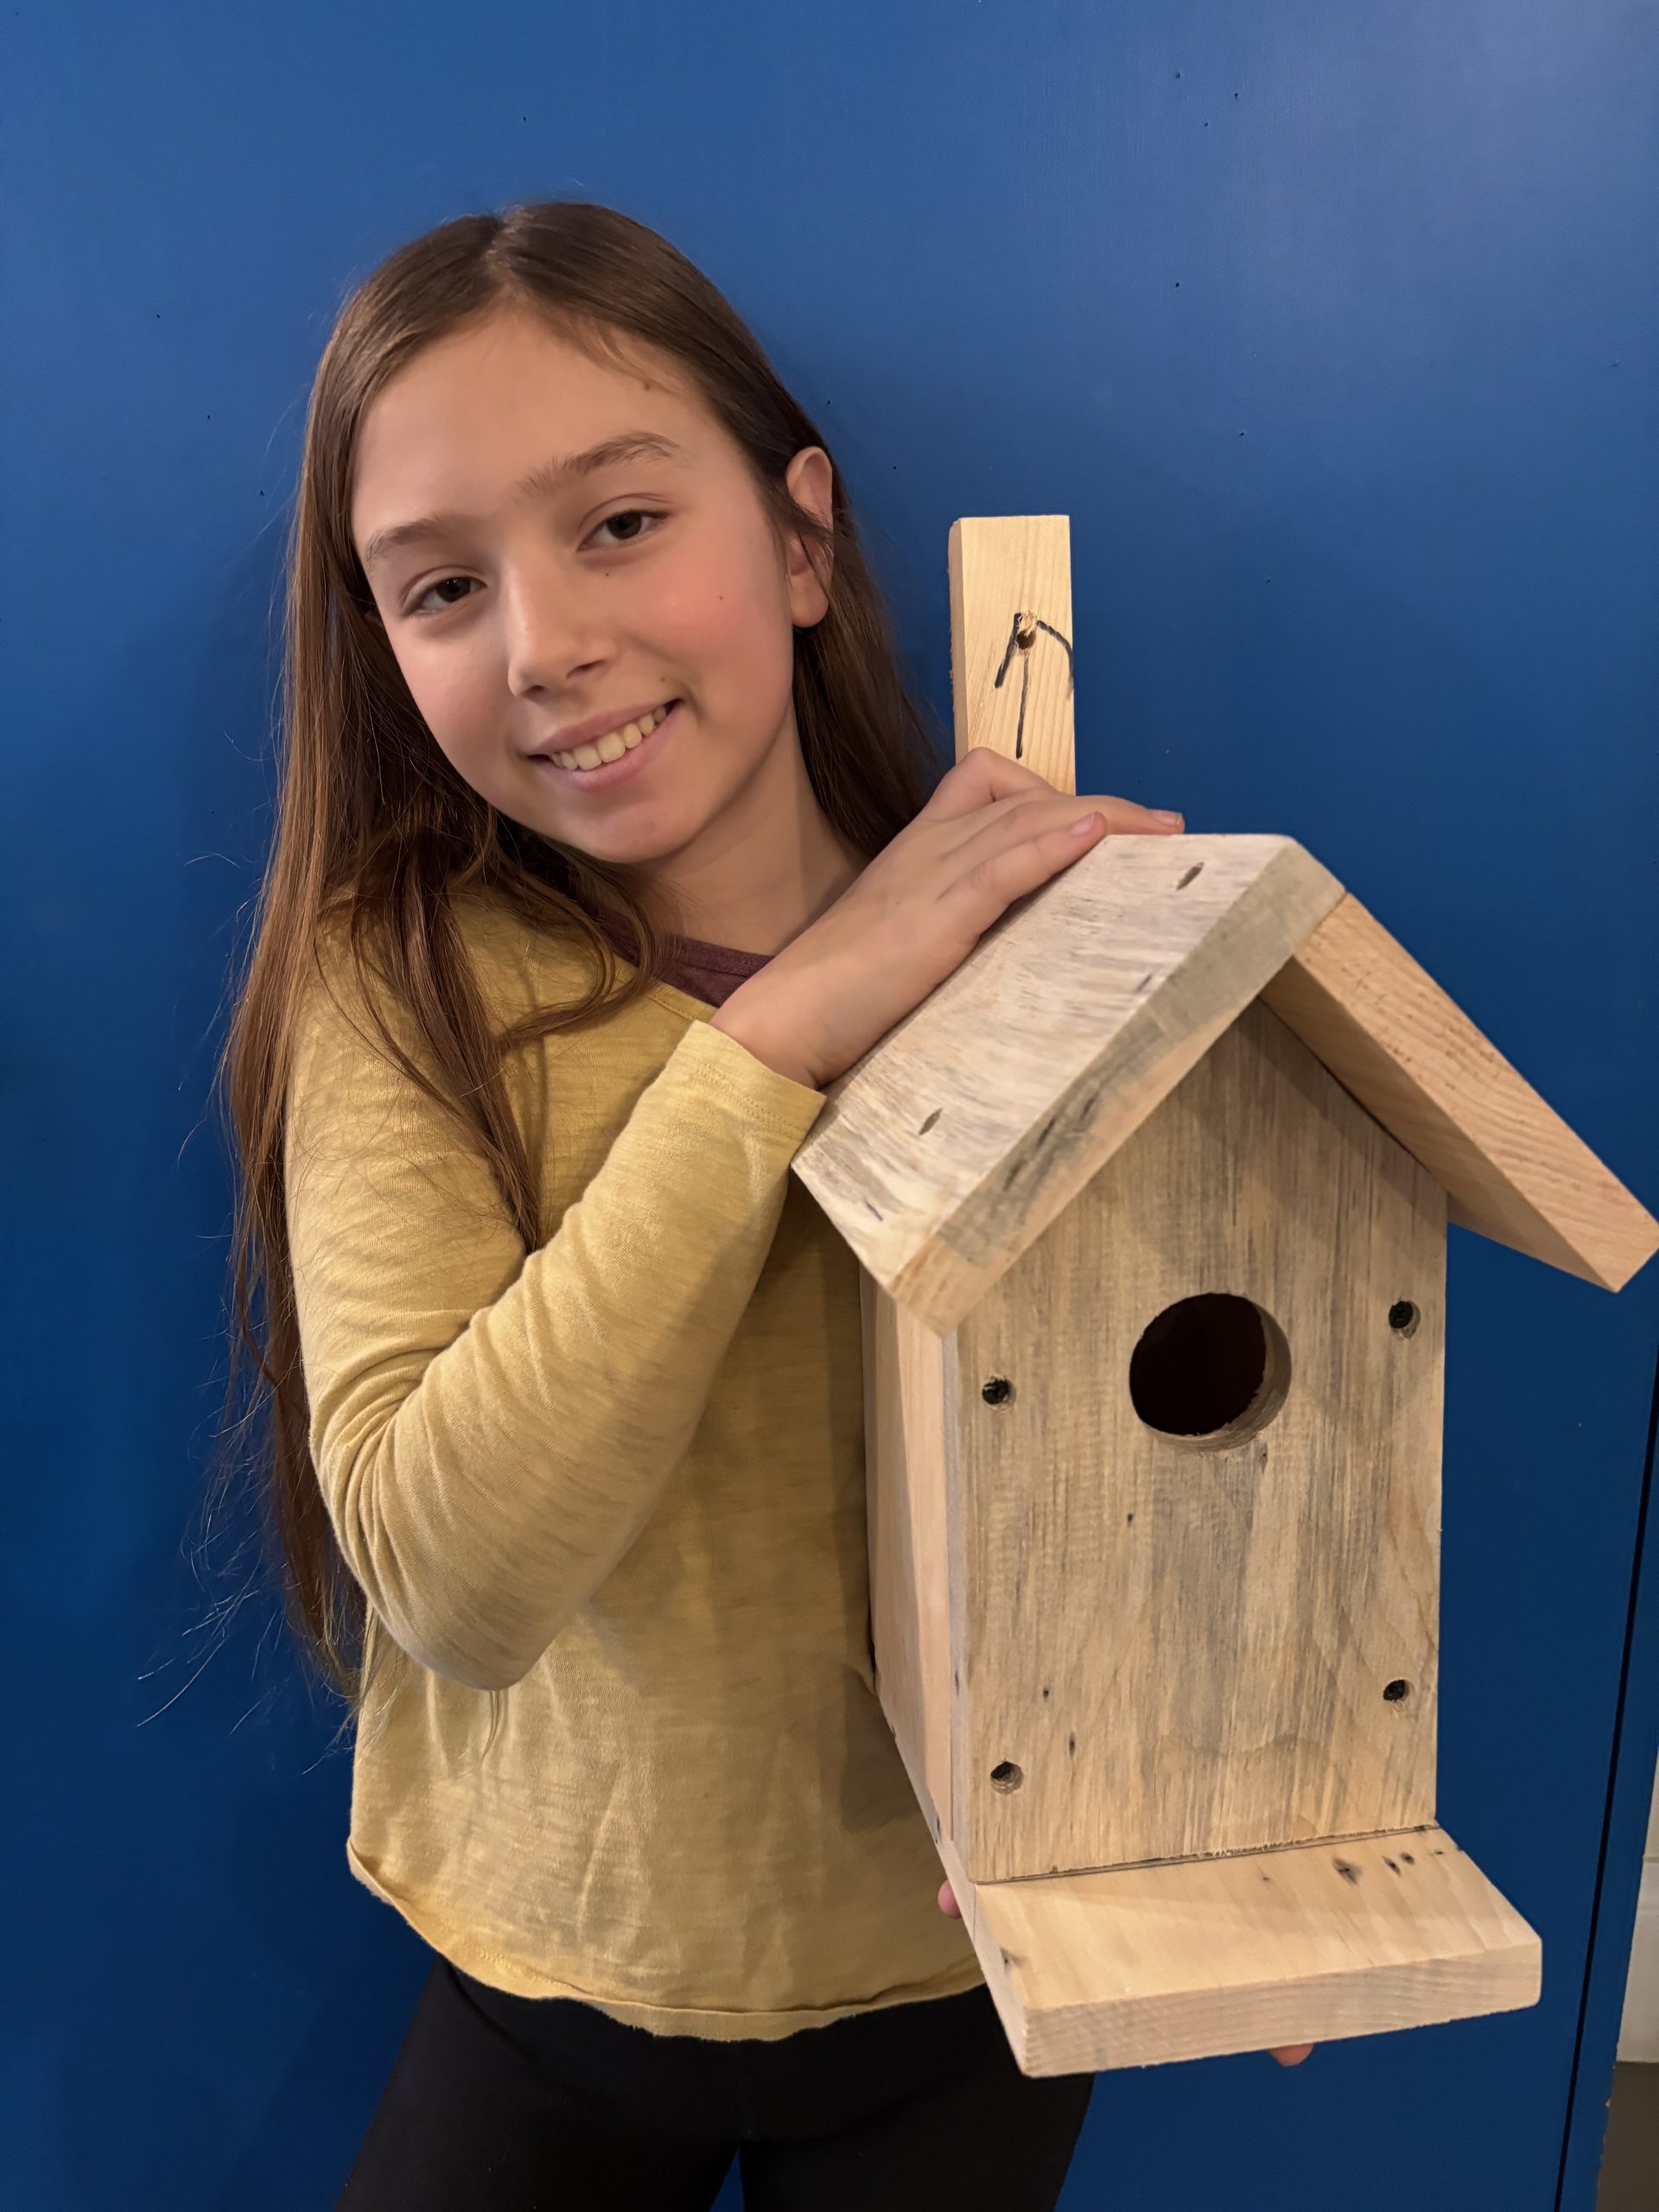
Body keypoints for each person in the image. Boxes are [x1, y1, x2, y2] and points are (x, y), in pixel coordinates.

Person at [221, 198, 1309, 2212]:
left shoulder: (1058, 960)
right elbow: (453, 1572)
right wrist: (783, 1033)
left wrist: (1229, 1822)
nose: (547, 643)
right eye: (443, 585)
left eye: (619, 523)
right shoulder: (406, 982)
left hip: (963, 1981)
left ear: (799, 539)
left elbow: (1186, 1432)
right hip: (552, 1966)